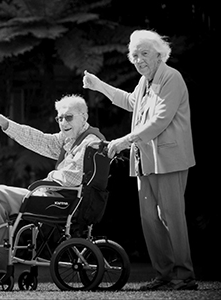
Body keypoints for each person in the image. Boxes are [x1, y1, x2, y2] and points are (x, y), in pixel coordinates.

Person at [83, 29, 196, 290]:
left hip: (169, 160)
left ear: (159, 54)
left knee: (171, 217)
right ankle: (164, 275)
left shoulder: (171, 78)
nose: (138, 59)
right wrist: (99, 86)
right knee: (149, 219)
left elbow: (160, 121)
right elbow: (131, 101)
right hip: (145, 161)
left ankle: (184, 276)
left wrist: (124, 141)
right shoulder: (145, 81)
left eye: (144, 53)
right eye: (134, 55)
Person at [0, 95, 104, 277]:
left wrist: (47, 179)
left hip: (60, 201)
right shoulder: (69, 139)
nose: (63, 122)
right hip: (57, 197)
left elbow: (71, 179)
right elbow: (35, 139)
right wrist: (0, 120)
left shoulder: (90, 142)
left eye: (69, 117)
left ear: (84, 117)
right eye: (60, 118)